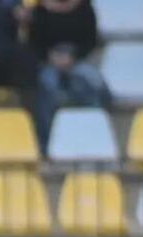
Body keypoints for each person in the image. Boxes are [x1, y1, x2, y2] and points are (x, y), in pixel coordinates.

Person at [25, 0, 111, 154]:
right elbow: (33, 43)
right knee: (46, 86)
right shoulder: (40, 10)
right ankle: (46, 145)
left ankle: (95, 138)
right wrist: (51, 57)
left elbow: (91, 40)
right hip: (48, 62)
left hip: (77, 60)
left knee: (96, 83)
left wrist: (73, 57)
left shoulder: (84, 8)